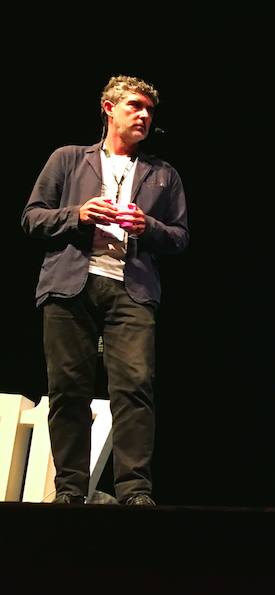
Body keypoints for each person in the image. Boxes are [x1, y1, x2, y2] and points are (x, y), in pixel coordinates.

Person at [22, 75, 189, 505]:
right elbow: (32, 217)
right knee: (67, 389)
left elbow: (180, 237)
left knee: (134, 387)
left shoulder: (162, 175)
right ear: (108, 108)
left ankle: (134, 490)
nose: (144, 115)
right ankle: (70, 490)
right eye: (135, 106)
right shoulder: (69, 159)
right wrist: (77, 214)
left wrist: (146, 226)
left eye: (150, 110)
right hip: (69, 285)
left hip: (131, 290)